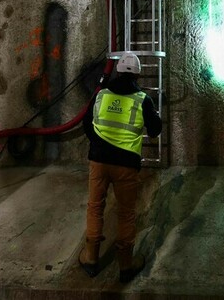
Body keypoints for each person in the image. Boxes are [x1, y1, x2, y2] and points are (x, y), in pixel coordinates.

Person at [78, 52, 162, 283]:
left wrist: (98, 142)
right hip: (126, 164)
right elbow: (155, 130)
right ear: (137, 73)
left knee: (95, 207)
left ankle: (91, 258)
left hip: (99, 161)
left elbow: (86, 124)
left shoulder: (101, 95)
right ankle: (125, 264)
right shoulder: (142, 99)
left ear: (117, 71)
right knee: (126, 213)